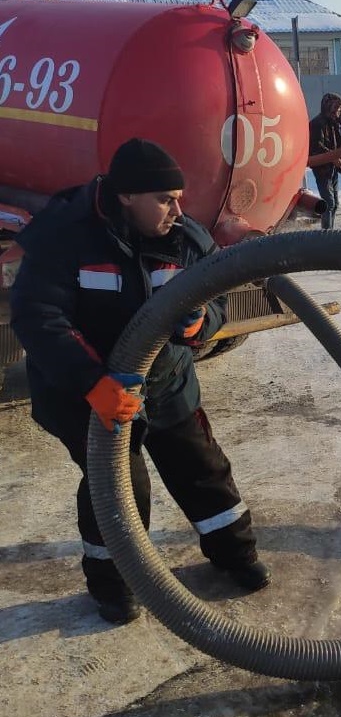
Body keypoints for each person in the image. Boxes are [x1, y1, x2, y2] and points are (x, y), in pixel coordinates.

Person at [10, 139, 270, 625]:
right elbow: (37, 315)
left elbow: (218, 301)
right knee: (119, 483)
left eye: (179, 197)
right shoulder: (64, 235)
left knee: (203, 470)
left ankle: (236, 554)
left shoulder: (186, 239)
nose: (179, 209)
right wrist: (93, 383)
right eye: (165, 199)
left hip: (165, 381)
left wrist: (199, 325)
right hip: (87, 391)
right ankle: (117, 584)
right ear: (127, 196)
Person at [308, 92, 341, 229]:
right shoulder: (317, 124)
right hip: (322, 169)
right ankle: (326, 233)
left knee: (335, 203)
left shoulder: (334, 123)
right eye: (337, 108)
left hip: (333, 168)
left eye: (340, 108)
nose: (340, 111)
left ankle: (330, 230)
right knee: (329, 203)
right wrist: (333, 157)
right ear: (329, 108)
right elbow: (316, 146)